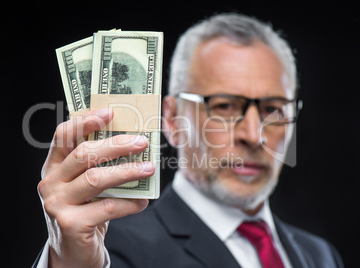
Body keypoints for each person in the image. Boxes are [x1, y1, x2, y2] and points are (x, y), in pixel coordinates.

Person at [33, 13, 344, 267]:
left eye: (273, 109)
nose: (253, 135)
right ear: (171, 118)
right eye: (224, 106)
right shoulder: (106, 250)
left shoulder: (321, 255)